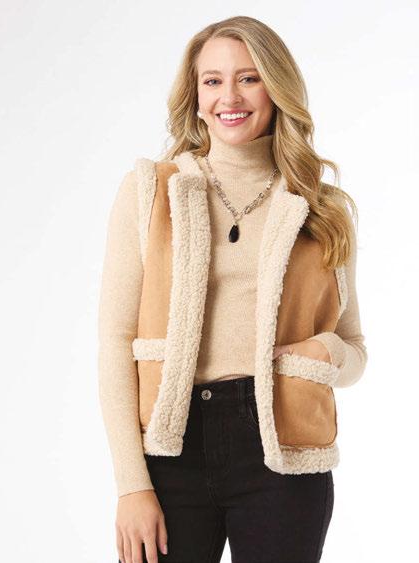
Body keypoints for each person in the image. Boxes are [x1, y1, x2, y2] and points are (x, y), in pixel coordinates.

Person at [97, 15, 368, 563]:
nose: (230, 97)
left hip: (283, 451)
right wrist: (131, 485)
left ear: (276, 87)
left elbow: (354, 347)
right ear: (195, 96)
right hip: (170, 446)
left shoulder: (322, 209)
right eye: (213, 80)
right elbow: (115, 342)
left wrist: (325, 352)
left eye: (249, 78)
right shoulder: (151, 192)